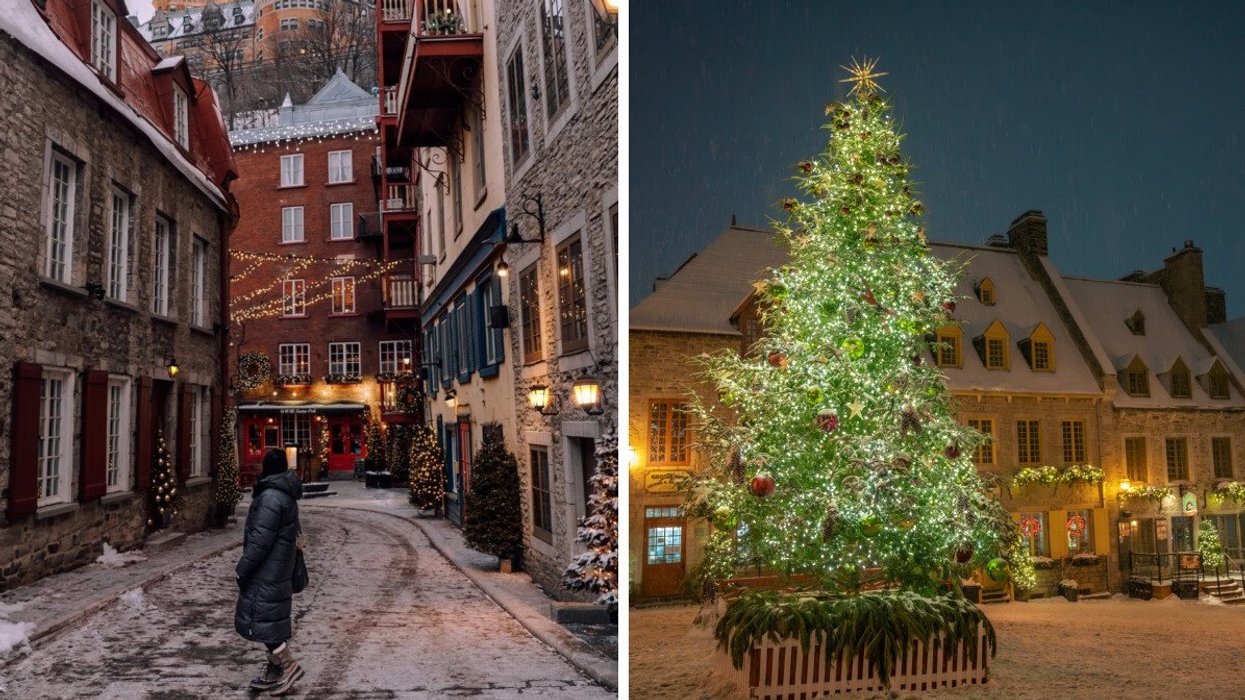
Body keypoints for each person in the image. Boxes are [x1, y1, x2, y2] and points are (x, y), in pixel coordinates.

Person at [235, 449, 304, 695]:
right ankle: (274, 671)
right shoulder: (283, 494)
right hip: (279, 567)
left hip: (268, 569)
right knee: (270, 619)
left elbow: (260, 541)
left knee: (262, 618)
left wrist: (243, 568)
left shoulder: (272, 497)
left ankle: (288, 666)